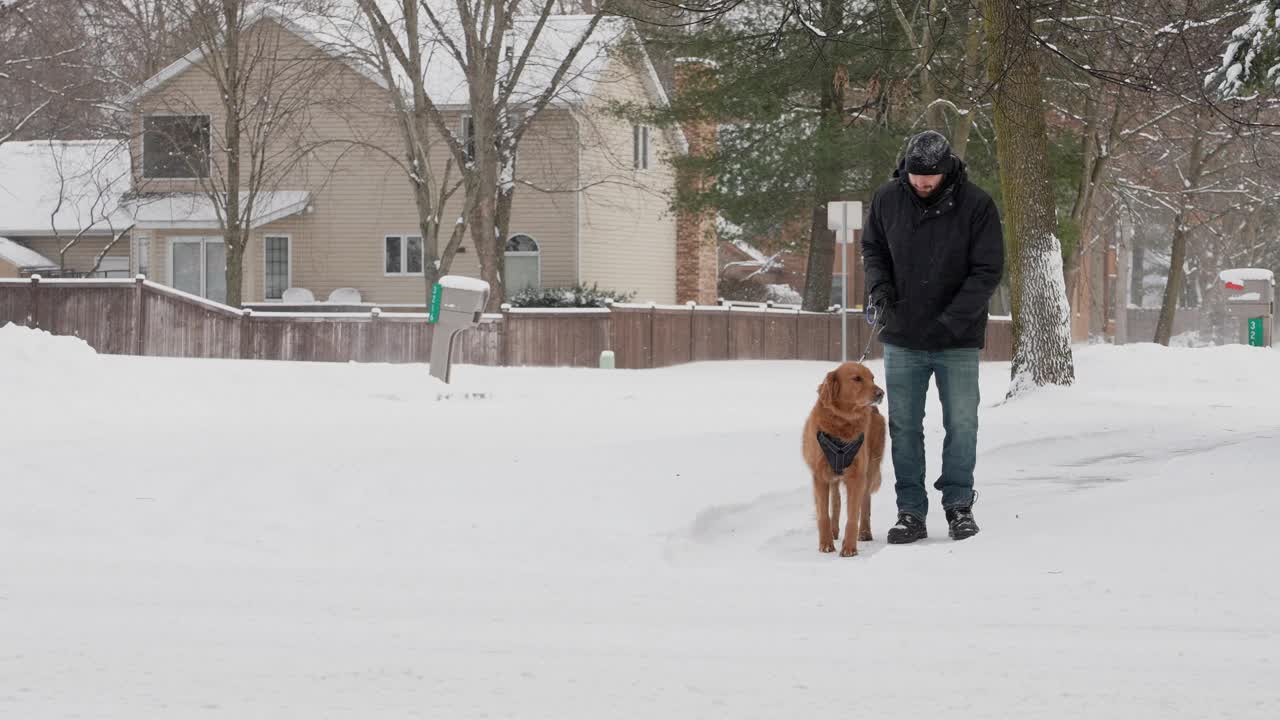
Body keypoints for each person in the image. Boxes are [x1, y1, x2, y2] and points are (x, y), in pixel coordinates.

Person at [860, 130, 1004, 543]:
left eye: (930, 177)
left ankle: (958, 504)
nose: (921, 183)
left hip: (956, 338)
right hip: (902, 334)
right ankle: (910, 511)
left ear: (946, 172)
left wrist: (952, 320)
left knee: (962, 422)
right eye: (915, 175)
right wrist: (880, 289)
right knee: (904, 426)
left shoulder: (977, 205)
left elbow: (987, 270)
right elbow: (873, 249)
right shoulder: (888, 199)